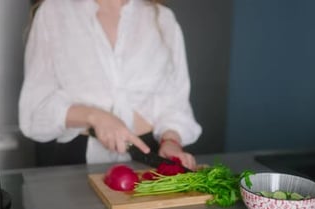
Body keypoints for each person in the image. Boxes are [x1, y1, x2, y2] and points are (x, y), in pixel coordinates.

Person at [19, 0, 202, 170]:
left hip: (150, 158)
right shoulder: (54, 12)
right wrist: (95, 116)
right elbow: (35, 112)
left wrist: (171, 142)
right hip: (78, 161)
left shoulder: (162, 18)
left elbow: (175, 105)